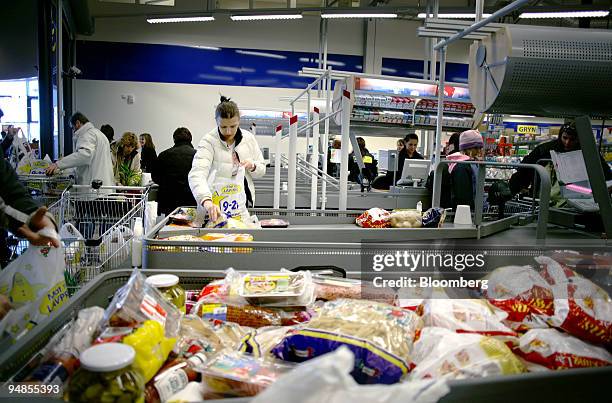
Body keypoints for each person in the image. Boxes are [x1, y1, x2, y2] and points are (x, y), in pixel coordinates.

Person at [189, 96, 266, 222]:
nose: (229, 131)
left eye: (233, 126)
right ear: (216, 122)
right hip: (215, 205)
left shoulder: (249, 139)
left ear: (239, 121)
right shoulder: (208, 141)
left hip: (241, 204)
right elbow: (197, 173)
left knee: (240, 238)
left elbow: (262, 169)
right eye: (223, 127)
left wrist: (252, 166)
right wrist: (206, 201)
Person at [509, 121, 612, 206]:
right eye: (565, 138)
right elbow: (524, 170)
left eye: (572, 140)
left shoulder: (588, 153)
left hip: (575, 204)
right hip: (543, 202)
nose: (567, 142)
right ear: (560, 136)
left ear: (579, 139)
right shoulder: (545, 150)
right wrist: (519, 187)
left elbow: (606, 176)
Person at [45, 112, 115, 186]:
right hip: (104, 186)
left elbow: (83, 156)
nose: (73, 132)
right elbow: (88, 162)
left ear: (78, 123)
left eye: (73, 128)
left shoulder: (87, 134)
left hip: (93, 189)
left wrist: (58, 164)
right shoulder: (99, 134)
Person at [152, 127, 197, 216]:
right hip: (191, 200)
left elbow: (155, 177)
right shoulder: (197, 155)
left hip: (169, 201)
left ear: (174, 139)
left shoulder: (163, 155)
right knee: (191, 226)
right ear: (190, 139)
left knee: (169, 227)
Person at [450, 130, 485, 210]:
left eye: (480, 148)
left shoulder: (471, 164)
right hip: (464, 213)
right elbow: (463, 197)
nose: (479, 151)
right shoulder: (461, 167)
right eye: (476, 148)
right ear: (467, 149)